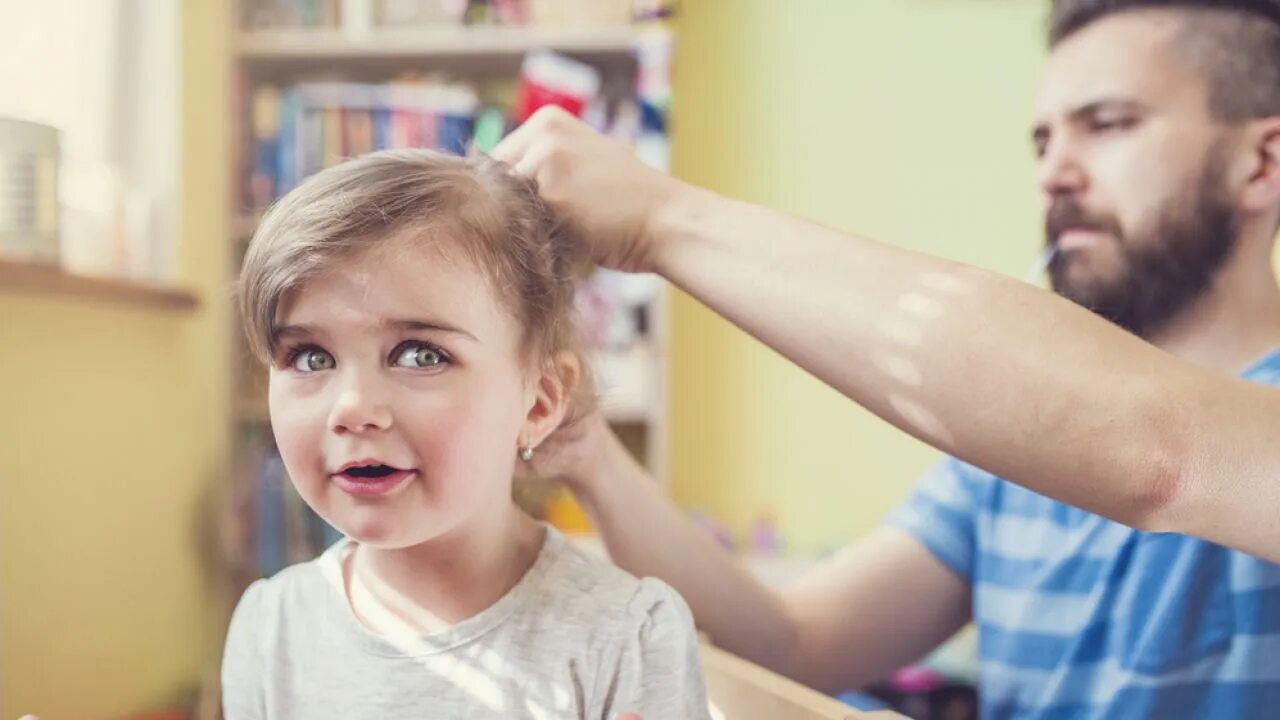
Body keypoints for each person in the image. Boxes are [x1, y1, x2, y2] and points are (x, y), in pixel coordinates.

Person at [494, 1, 1280, 717]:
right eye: (1043, 139)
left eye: (1108, 123)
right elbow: (790, 645)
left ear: (1263, 162)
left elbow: (1158, 451)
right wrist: (590, 456)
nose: (1054, 172)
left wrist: (663, 217)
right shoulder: (1005, 468)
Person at [220, 149, 710, 720]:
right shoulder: (269, 626)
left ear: (541, 401)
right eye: (309, 357)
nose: (353, 408)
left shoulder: (626, 636)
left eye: (419, 354)